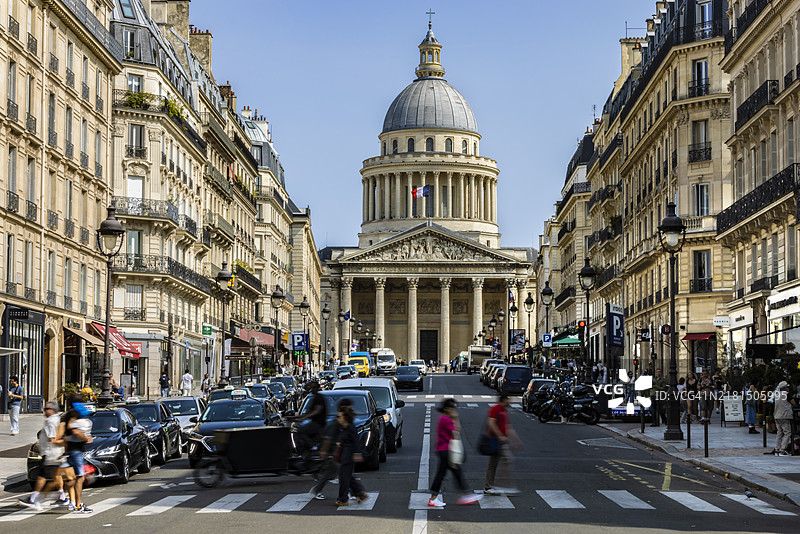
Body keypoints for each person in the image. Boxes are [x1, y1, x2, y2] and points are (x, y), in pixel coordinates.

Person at [428, 399, 481, 507]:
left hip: (443, 449)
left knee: (447, 473)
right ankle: (465, 494)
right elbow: (456, 432)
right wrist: (455, 418)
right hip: (446, 450)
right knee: (451, 473)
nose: (454, 410)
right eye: (453, 408)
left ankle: (464, 494)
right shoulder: (446, 419)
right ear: (448, 409)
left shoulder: (443, 418)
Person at [18, 402, 69, 510]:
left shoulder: (51, 421)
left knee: (42, 476)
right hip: (56, 453)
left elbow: (52, 439)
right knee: (56, 475)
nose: (44, 411)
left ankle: (33, 499)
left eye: (46, 408)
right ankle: (62, 497)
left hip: (50, 453)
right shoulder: (56, 419)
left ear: (52, 410)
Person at [309, 398, 352, 500]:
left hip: (339, 451)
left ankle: (317, 490)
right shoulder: (336, 422)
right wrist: (323, 451)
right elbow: (328, 438)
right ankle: (350, 492)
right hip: (333, 451)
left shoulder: (344, 421)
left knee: (332, 473)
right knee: (341, 471)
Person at [484, 394, 520, 495]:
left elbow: (508, 427)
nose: (510, 402)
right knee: (496, 463)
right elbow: (491, 422)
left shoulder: (504, 410)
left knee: (504, 461)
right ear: (504, 400)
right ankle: (493, 486)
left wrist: (515, 440)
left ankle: (497, 485)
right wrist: (499, 435)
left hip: (501, 441)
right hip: (495, 440)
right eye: (509, 399)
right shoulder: (496, 408)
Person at [335, 406, 369, 507]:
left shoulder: (351, 427)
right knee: (348, 477)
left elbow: (356, 441)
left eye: (339, 416)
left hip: (349, 456)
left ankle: (343, 499)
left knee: (344, 478)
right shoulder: (344, 428)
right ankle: (360, 493)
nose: (337, 418)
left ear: (345, 417)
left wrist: (357, 453)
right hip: (345, 455)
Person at [64, 393, 93, 513]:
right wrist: (85, 438)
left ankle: (66, 499)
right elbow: (73, 430)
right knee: (79, 477)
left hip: (73, 449)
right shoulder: (73, 414)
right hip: (75, 450)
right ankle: (77, 505)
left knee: (71, 479)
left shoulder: (70, 413)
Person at [295, 381, 326, 458]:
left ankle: (313, 447)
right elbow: (308, 411)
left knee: (301, 431)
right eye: (311, 388)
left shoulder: (319, 398)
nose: (311, 389)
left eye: (313, 388)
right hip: (315, 422)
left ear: (317, 388)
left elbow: (317, 411)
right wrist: (296, 417)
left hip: (319, 423)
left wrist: (305, 418)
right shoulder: (314, 398)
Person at [774, 381, 796, 456]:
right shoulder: (786, 394)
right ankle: (782, 450)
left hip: (777, 416)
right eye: (787, 387)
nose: (788, 388)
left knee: (779, 432)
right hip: (785, 416)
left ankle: (777, 449)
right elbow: (793, 403)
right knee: (787, 432)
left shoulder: (777, 395)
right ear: (784, 388)